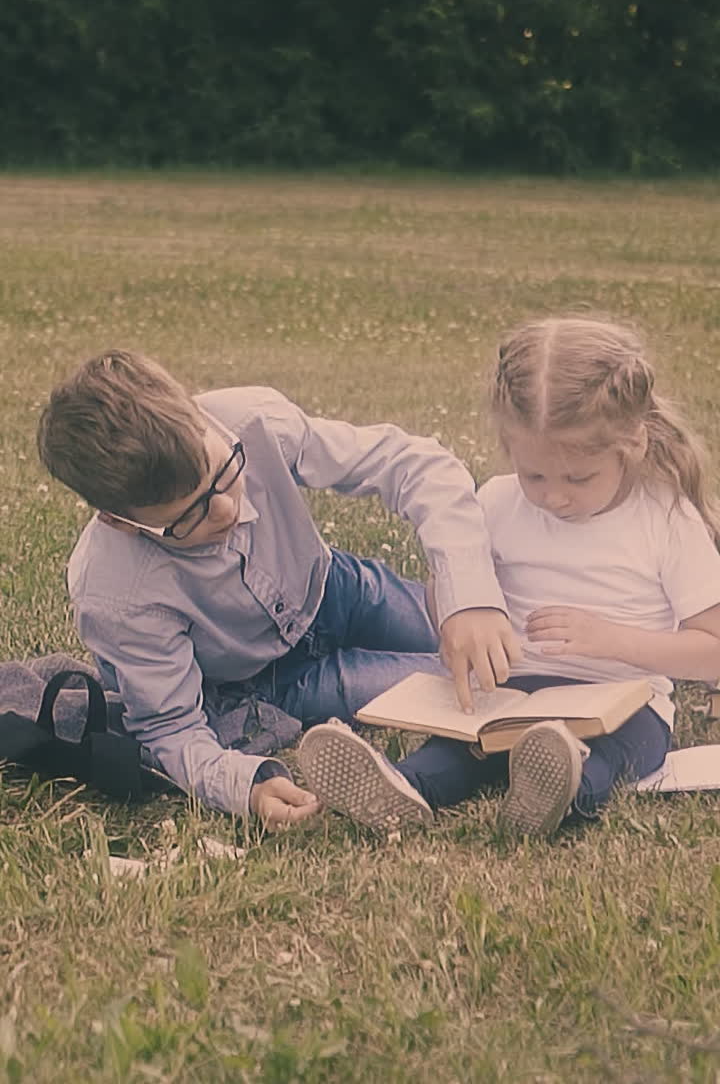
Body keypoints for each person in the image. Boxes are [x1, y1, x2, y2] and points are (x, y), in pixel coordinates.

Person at [36, 350, 518, 830]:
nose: (225, 511)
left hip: (339, 590)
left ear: (199, 417)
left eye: (223, 473)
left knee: (507, 649)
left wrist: (468, 596)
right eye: (187, 518)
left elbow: (412, 464)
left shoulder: (250, 420)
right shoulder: (114, 595)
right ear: (120, 522)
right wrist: (245, 786)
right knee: (478, 692)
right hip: (272, 679)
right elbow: (170, 730)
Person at [299, 316, 720, 837]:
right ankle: (400, 789)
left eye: (579, 477)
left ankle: (560, 796)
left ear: (631, 441)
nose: (554, 496)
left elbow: (711, 649)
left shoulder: (664, 516)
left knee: (604, 757)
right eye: (534, 474)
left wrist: (612, 640)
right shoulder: (497, 502)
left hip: (623, 704)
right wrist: (452, 616)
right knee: (456, 751)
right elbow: (448, 594)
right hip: (508, 697)